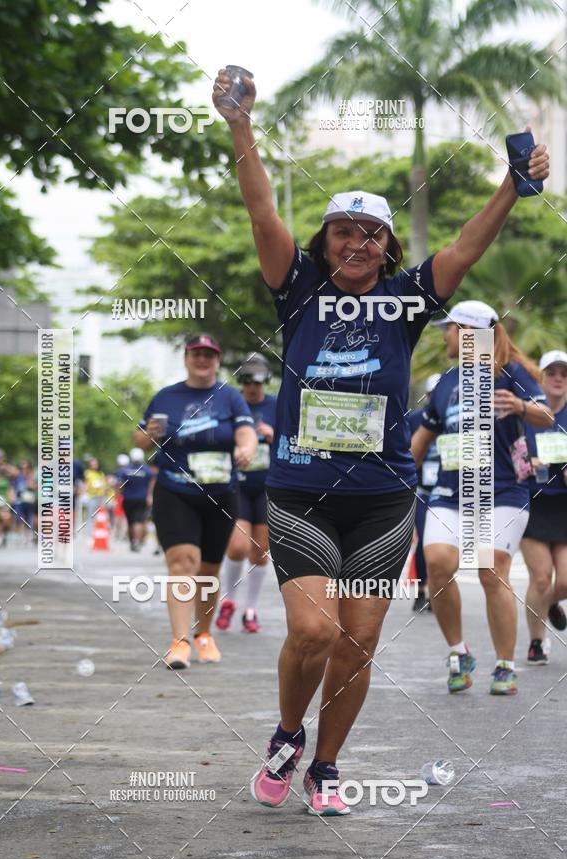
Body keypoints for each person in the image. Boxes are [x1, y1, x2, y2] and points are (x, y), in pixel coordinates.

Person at [213, 67, 550, 814]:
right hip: (301, 492)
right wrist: (240, 123)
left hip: (383, 499)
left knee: (357, 642)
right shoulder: (297, 288)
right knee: (311, 628)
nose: (358, 243)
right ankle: (287, 732)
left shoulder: (407, 301)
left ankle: (325, 766)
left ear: (387, 246)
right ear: (325, 242)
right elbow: (261, 208)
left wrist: (509, 185)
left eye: (371, 234)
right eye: (344, 231)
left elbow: (465, 248)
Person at [411, 301, 552, 697]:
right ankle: (459, 653)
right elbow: (420, 441)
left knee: (492, 570)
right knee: (437, 564)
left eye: (450, 329)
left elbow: (545, 414)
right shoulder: (445, 384)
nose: (445, 336)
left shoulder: (512, 373)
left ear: (470, 333)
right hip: (450, 493)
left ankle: (505, 665)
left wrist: (522, 406)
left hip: (503, 491)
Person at [134, 334, 257, 668]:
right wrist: (149, 435)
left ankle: (203, 634)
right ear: (186, 358)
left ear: (217, 360)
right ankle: (179, 642)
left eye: (209, 355)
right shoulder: (167, 396)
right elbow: (141, 438)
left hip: (220, 494)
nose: (202, 360)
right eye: (196, 354)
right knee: (182, 561)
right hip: (176, 490)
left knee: (207, 571)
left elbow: (246, 431)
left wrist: (246, 448)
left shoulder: (230, 397)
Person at [216, 353, 277, 633]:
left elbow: (294, 443)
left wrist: (271, 435)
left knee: (260, 553)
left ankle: (250, 610)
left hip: (267, 487)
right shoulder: (230, 404)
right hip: (237, 484)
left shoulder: (276, 405)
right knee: (238, 546)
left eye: (258, 381)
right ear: (240, 381)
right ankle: (229, 601)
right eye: (247, 380)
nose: (252, 387)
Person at [521, 350, 567, 664]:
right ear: (541, 376)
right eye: (551, 372)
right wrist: (526, 461)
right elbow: (508, 450)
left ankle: (550, 603)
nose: (558, 379)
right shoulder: (527, 411)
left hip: (563, 505)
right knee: (541, 578)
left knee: (563, 581)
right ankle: (537, 641)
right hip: (532, 501)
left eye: (564, 374)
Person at [406, 373, 441, 612]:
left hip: (447, 490)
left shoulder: (456, 418)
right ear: (427, 395)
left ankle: (438, 593)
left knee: (441, 544)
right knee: (424, 540)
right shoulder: (415, 419)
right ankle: (420, 592)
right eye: (432, 394)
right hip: (421, 489)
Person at [115, 448, 155, 552]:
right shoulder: (146, 470)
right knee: (139, 521)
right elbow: (153, 481)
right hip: (142, 499)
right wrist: (150, 495)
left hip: (128, 499)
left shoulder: (125, 470)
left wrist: (117, 496)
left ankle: (133, 541)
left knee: (130, 521)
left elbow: (119, 485)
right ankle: (137, 541)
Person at [84, 457, 108, 539]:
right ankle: (89, 533)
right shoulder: (88, 473)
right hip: (92, 496)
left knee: (100, 515)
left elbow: (104, 484)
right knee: (91, 515)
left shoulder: (101, 474)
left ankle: (100, 531)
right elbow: (86, 484)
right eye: (92, 464)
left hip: (100, 496)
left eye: (95, 463)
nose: (94, 465)